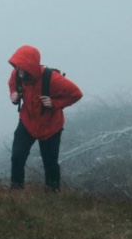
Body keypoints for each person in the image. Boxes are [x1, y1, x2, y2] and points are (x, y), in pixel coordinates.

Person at [7, 45, 83, 191]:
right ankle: (15, 194)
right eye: (17, 65)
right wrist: (14, 96)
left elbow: (76, 93)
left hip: (51, 126)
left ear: (30, 65)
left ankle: (52, 195)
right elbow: (12, 86)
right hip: (27, 122)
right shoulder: (16, 74)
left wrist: (55, 103)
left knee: (50, 163)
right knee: (17, 157)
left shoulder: (52, 78)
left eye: (21, 66)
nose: (18, 69)